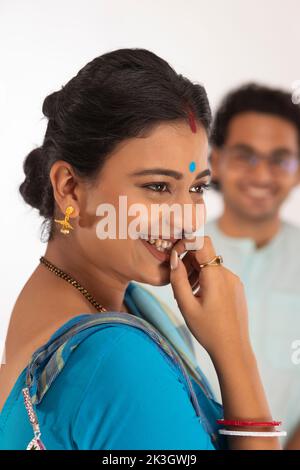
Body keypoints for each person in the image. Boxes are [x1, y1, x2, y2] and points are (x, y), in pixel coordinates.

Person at [0, 50, 282, 450]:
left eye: (197, 188)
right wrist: (234, 350)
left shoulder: (103, 304)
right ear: (70, 188)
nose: (187, 220)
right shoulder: (117, 359)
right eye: (157, 187)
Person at [205, 83, 300, 449]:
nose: (262, 175)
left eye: (280, 159)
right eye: (245, 156)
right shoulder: (167, 259)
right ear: (216, 160)